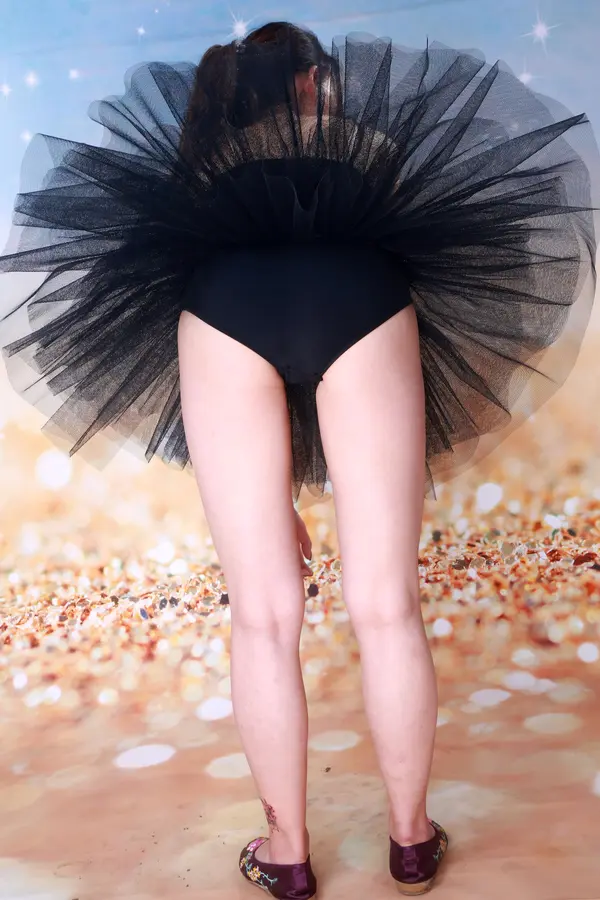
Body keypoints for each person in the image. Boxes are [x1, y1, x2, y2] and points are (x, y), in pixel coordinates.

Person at [0, 21, 597, 899]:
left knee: (262, 617)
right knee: (387, 606)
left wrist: (272, 504)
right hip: (361, 291)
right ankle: (411, 841)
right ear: (312, 85)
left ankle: (286, 853)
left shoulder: (200, 193)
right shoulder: (365, 168)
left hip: (222, 304)